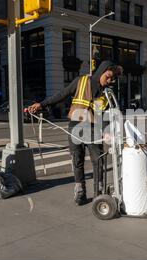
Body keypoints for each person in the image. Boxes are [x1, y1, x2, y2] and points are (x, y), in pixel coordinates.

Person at [28, 61, 123, 205]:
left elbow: (105, 114)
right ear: (102, 71)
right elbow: (62, 94)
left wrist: (106, 131)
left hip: (93, 130)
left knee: (98, 161)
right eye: (108, 76)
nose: (109, 81)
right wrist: (42, 104)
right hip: (75, 127)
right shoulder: (81, 81)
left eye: (112, 79)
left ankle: (99, 192)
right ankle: (80, 192)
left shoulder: (106, 92)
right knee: (77, 160)